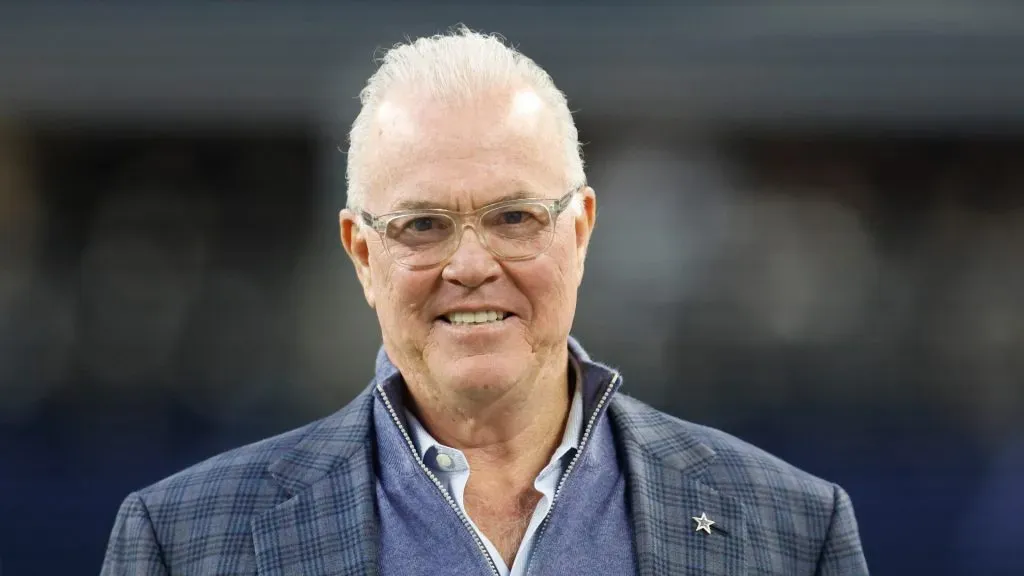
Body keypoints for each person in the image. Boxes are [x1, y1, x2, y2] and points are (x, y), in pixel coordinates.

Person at [101, 27, 868, 575]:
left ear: (581, 231)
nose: (470, 266)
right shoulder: (184, 542)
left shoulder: (791, 530)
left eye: (513, 217)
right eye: (423, 226)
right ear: (363, 255)